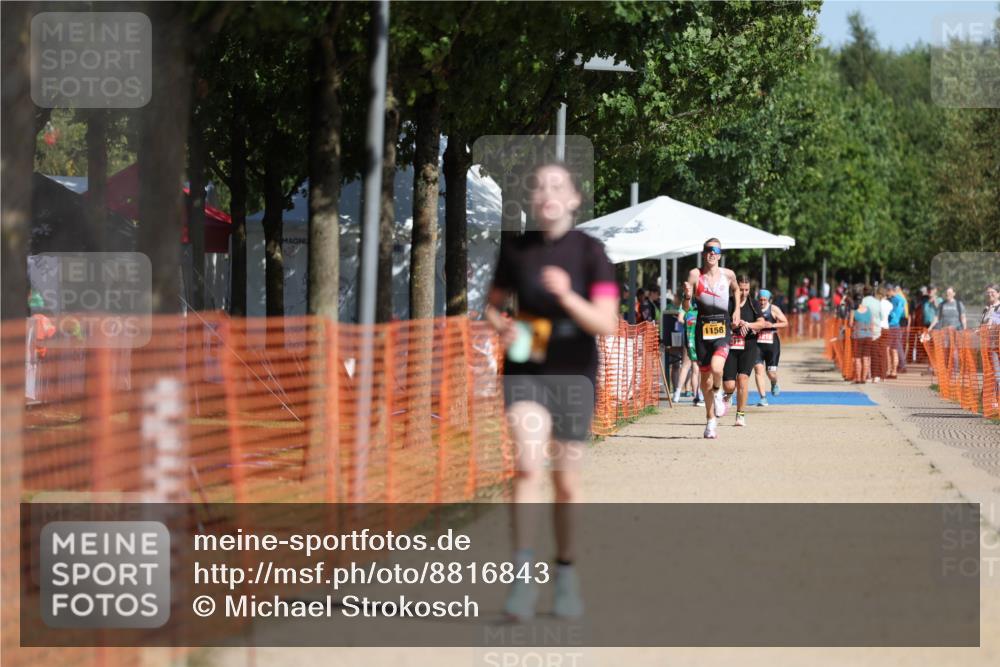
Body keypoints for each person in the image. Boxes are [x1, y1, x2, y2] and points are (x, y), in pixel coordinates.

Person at [485, 162, 618, 621]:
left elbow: (606, 322)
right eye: (540, 186)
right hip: (525, 368)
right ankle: (521, 582)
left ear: (575, 199)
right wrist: (502, 326)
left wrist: (566, 297)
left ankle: (565, 573)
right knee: (525, 465)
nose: (547, 193)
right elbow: (493, 307)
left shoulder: (590, 253)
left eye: (557, 186)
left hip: (574, 370)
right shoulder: (517, 250)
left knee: (565, 481)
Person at [682, 239, 742, 438]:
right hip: (703, 328)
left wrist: (737, 311)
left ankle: (718, 393)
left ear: (720, 254)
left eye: (715, 250)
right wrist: (687, 295)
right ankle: (710, 422)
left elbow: (736, 289)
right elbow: (686, 308)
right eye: (708, 250)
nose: (712, 253)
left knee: (717, 368)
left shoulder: (728, 274)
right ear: (703, 253)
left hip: (722, 326)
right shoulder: (695, 274)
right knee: (705, 381)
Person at [721, 274, 765, 426]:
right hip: (731, 347)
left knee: (743, 379)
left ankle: (740, 415)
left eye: (747, 290)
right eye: (741, 289)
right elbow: (723, 321)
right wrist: (734, 325)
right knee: (729, 385)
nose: (744, 293)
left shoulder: (753, 304)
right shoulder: (728, 302)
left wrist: (748, 324)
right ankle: (727, 395)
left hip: (749, 346)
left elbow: (762, 323)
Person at [753, 289, 787, 405]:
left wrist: (772, 324)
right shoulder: (754, 308)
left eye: (764, 300)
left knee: (770, 373)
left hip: (772, 344)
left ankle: (774, 382)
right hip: (757, 344)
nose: (762, 302)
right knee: (758, 369)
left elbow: (785, 322)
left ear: (769, 300)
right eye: (760, 300)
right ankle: (763, 397)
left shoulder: (773, 309)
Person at [848, 288, 877, 383]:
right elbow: (872, 323)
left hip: (858, 336)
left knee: (857, 357)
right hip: (868, 335)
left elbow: (850, 324)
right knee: (866, 357)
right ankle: (864, 378)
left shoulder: (853, 311)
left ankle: (858, 378)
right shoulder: (868, 310)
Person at [887, 283, 908, 374]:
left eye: (887, 292)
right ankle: (899, 366)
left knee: (894, 347)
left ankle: (898, 367)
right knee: (896, 346)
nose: (887, 294)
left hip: (893, 324)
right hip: (897, 324)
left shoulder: (897, 299)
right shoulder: (900, 299)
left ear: (891, 290)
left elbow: (895, 313)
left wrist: (890, 315)